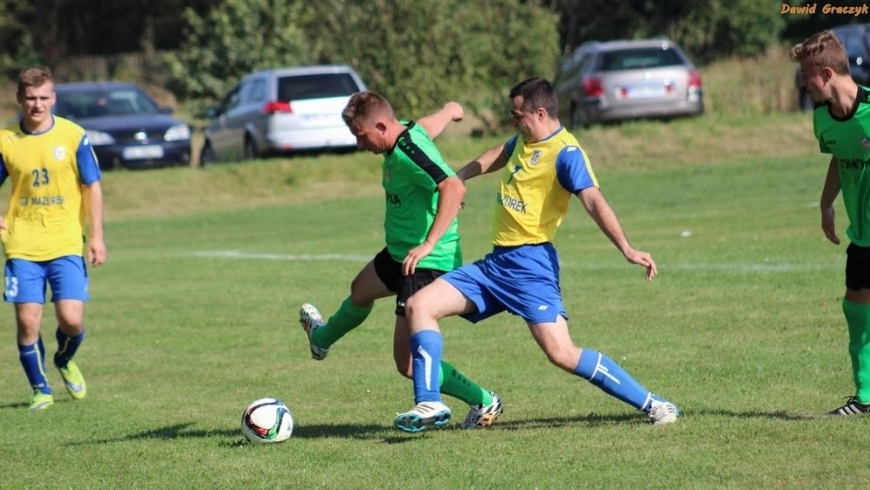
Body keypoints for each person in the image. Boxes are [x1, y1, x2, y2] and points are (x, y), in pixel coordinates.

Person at [393, 77, 680, 433]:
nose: (514, 123)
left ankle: (654, 404)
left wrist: (627, 248)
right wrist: (461, 175)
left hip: (531, 266)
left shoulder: (566, 152)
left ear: (540, 112)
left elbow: (593, 200)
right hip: (495, 264)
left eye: (518, 116)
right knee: (419, 306)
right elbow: (500, 152)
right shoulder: (525, 140)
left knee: (562, 353)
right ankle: (429, 402)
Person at [299, 91, 503, 429]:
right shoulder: (404, 133)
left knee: (407, 363)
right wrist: (449, 110)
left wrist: (428, 243)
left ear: (380, 125)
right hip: (399, 253)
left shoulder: (409, 152)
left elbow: (453, 187)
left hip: (425, 259)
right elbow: (424, 127)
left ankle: (481, 400)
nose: (360, 145)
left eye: (361, 136)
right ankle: (321, 340)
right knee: (360, 290)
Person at [0, 66, 106, 410]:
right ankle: (41, 389)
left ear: (54, 98)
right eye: (30, 98)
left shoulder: (74, 136)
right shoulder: (6, 141)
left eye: (44, 97)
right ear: (19, 99)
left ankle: (63, 358)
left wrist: (97, 236)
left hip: (65, 242)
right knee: (28, 322)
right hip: (22, 245)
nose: (37, 104)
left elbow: (92, 185)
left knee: (72, 320)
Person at [792, 30, 870, 415]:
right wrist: (826, 204)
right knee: (855, 311)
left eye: (807, 75)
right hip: (862, 237)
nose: (804, 83)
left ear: (826, 73)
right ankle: (865, 398)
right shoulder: (823, 119)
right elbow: (840, 157)